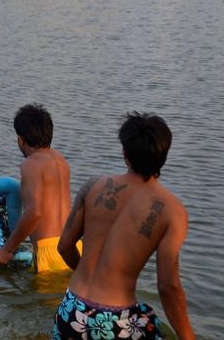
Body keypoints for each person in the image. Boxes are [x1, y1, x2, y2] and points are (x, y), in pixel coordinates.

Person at [55, 112, 194, 339]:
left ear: (125, 153)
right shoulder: (173, 211)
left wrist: (86, 276)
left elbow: (64, 247)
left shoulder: (93, 186)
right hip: (115, 321)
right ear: (164, 155)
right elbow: (168, 286)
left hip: (71, 308)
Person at [0, 103, 79, 273]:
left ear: (21, 139)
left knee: (45, 300)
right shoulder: (60, 160)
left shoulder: (31, 164)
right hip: (73, 248)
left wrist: (6, 250)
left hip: (50, 253)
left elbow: (34, 212)